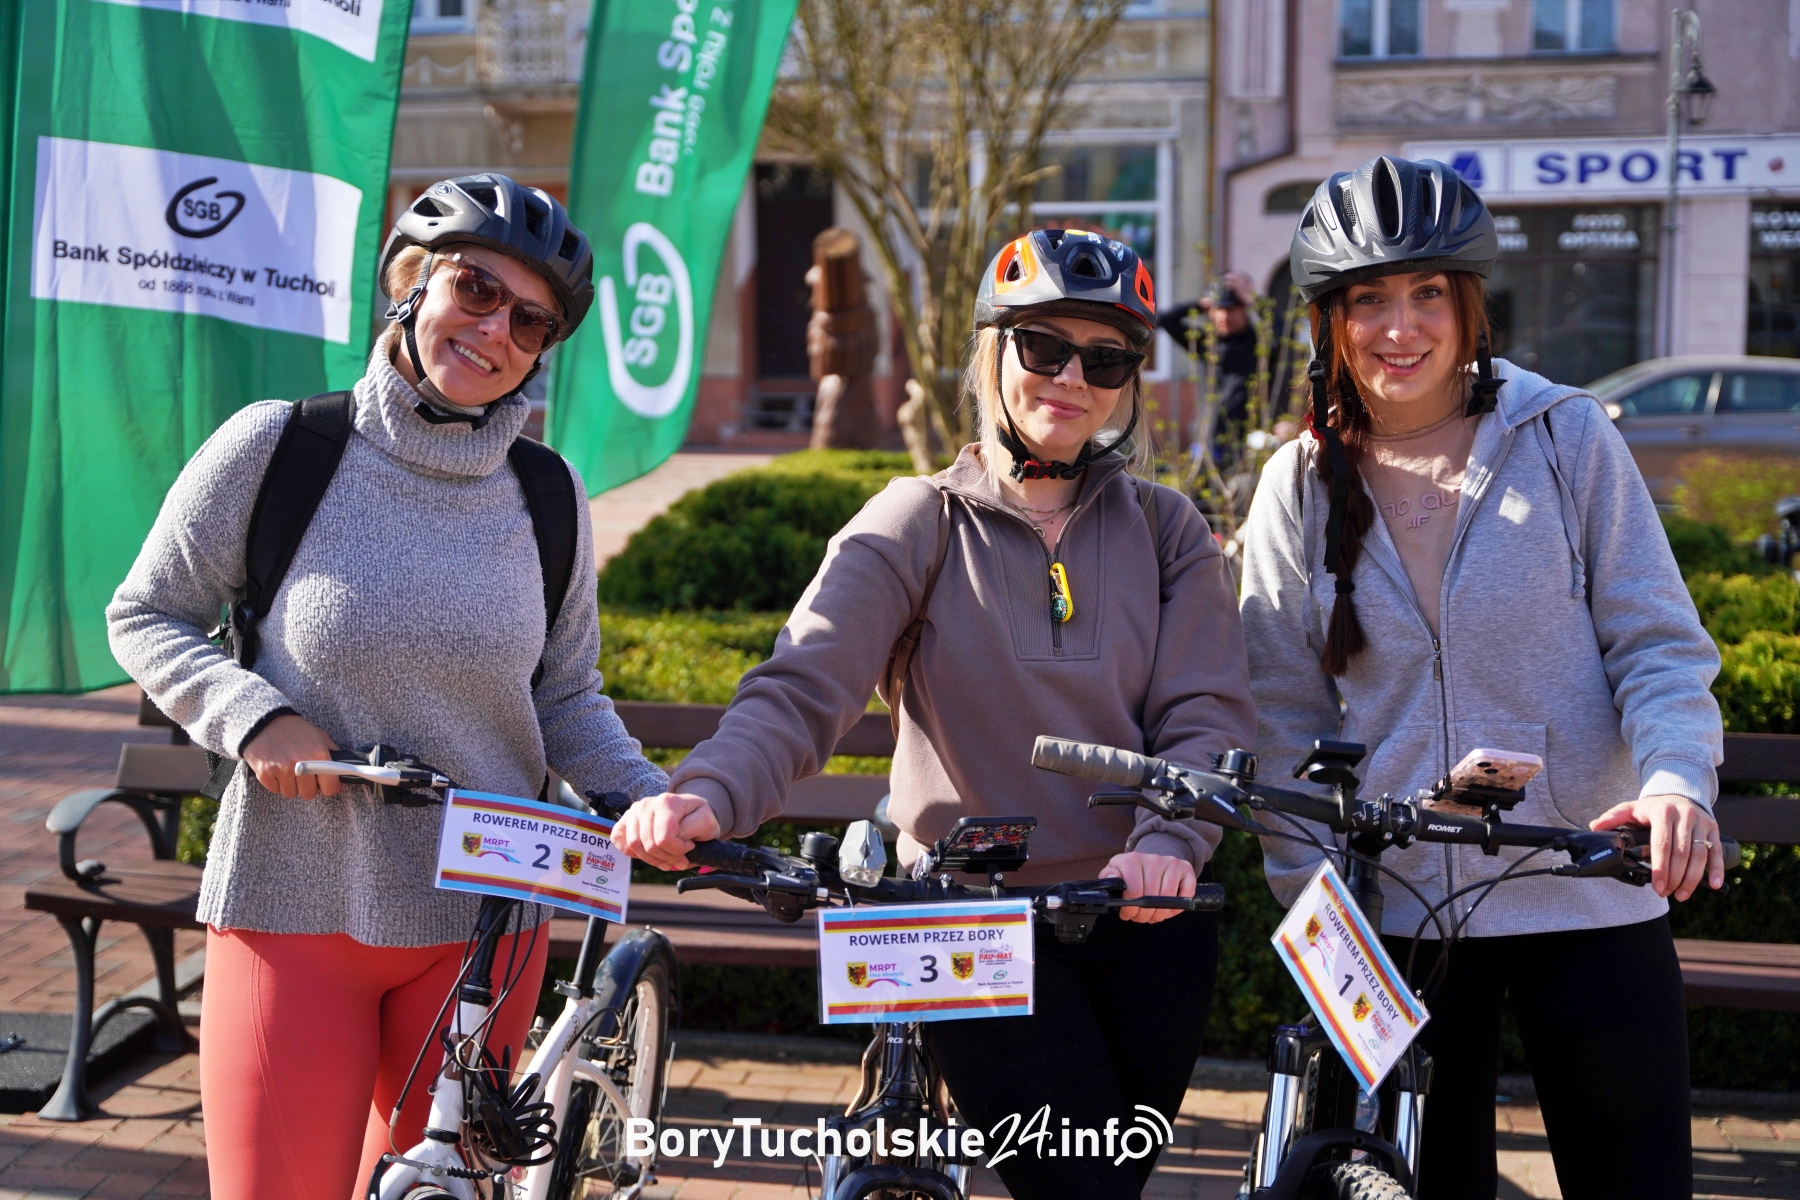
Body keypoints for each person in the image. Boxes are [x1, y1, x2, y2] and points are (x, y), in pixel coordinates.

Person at [613, 228, 1257, 1199]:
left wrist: (1172, 835)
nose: (1071, 376)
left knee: (1107, 1186)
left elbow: (1207, 711)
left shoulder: (1166, 531)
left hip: (1144, 908)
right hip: (965, 917)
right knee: (1075, 1188)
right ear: (992, 353)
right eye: (1042, 348)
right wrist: (710, 789)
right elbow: (805, 681)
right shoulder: (918, 520)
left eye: (1106, 358)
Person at [106, 174, 667, 1199]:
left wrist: (645, 798)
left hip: (489, 923)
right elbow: (145, 613)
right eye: (475, 289)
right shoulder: (281, 447)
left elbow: (568, 698)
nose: (496, 330)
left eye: (531, 321)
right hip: (295, 902)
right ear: (409, 286)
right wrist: (255, 717)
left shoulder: (549, 494)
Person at [1237, 156, 1725, 1200]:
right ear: (1332, 320)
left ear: (1468, 307)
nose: (1399, 327)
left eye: (1426, 294)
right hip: (1398, 921)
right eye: (1369, 299)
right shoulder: (1296, 487)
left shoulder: (1567, 437)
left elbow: (1660, 646)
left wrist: (1679, 778)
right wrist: (1318, 906)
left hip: (1587, 889)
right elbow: (1278, 714)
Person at [1160, 270, 1260, 459]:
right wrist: (1200, 304)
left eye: (1230, 310)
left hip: (1248, 441)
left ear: (1244, 309)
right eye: (1218, 309)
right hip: (1208, 439)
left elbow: (1282, 334)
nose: (1223, 317)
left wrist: (1253, 300)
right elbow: (1165, 320)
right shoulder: (1206, 344)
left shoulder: (1259, 343)